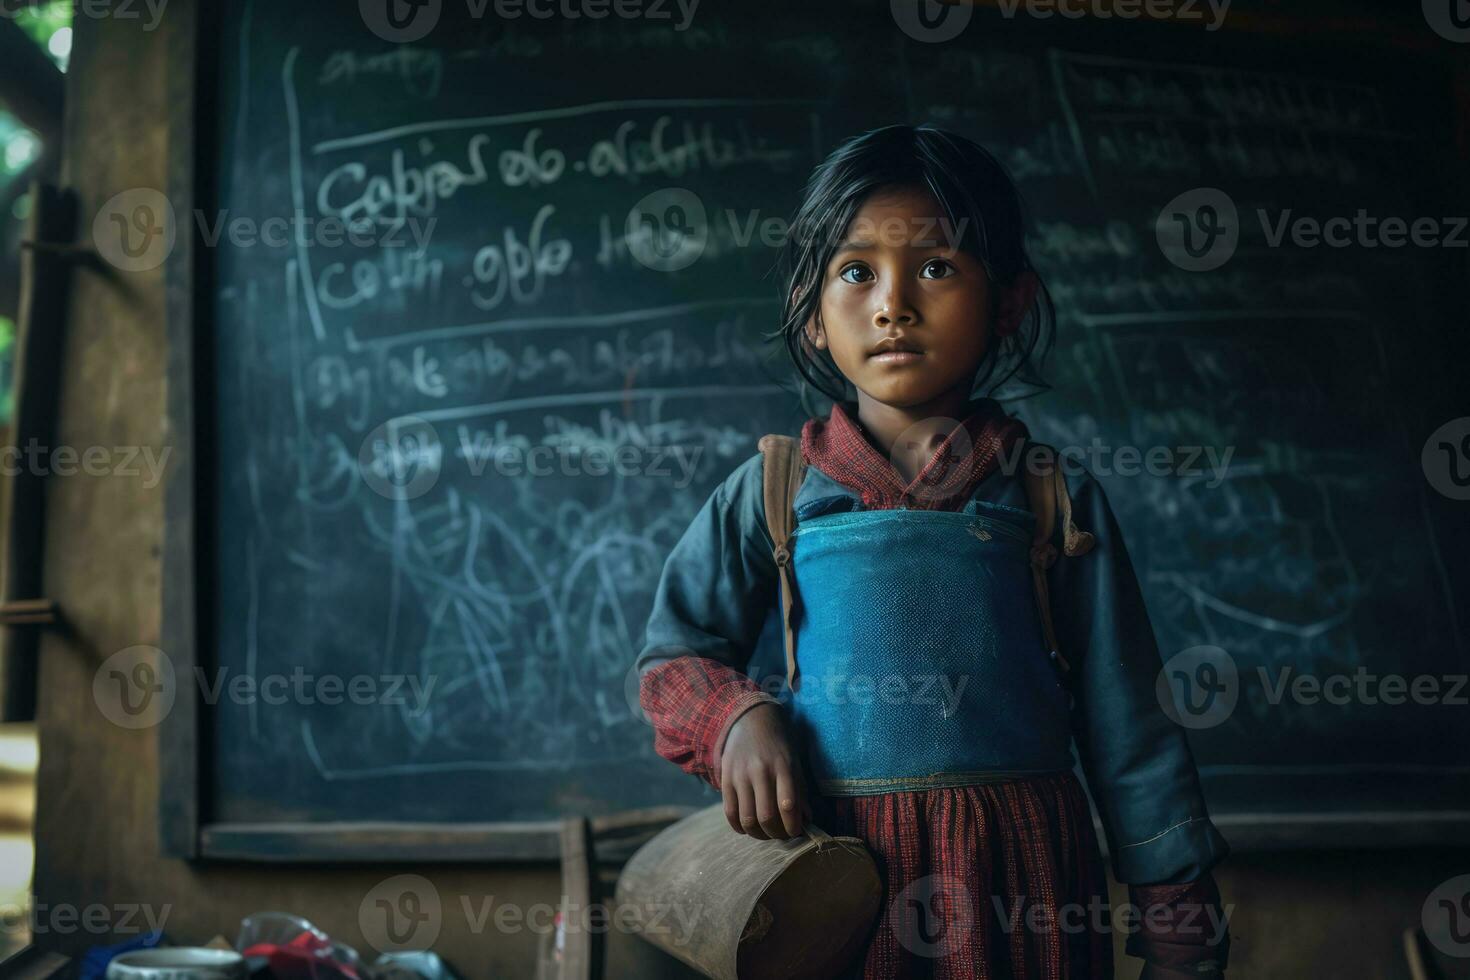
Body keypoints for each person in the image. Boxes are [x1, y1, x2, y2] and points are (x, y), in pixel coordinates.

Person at [636, 124, 1231, 979]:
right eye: (855, 272)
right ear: (810, 317)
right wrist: (735, 719)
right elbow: (672, 660)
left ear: (1012, 303)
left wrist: (1178, 918)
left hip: (1025, 885)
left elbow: (1129, 721)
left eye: (938, 267)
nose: (893, 304)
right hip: (835, 889)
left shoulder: (1048, 498)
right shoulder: (770, 493)